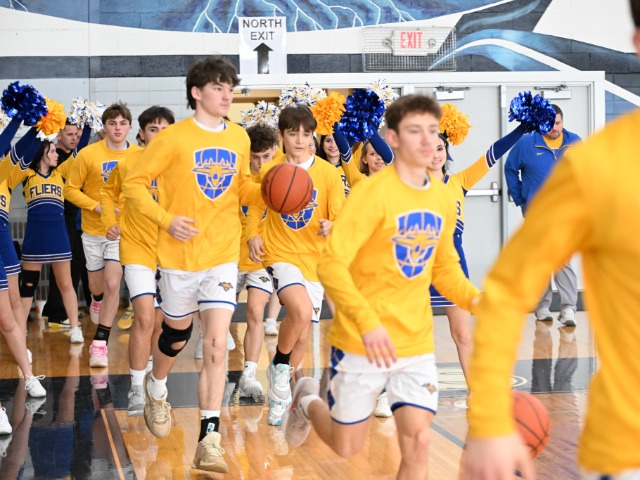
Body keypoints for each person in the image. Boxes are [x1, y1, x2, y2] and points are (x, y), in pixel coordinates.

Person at [462, 5, 640, 476]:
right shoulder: (593, 165)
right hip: (628, 446)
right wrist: (489, 420)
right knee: (551, 270)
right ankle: (557, 309)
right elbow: (504, 296)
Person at [281, 95, 479, 479]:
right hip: (361, 339)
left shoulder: (441, 197)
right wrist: (368, 324)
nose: (427, 141)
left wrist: (478, 299)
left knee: (418, 443)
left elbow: (444, 268)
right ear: (393, 139)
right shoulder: (370, 195)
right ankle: (306, 398)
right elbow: (331, 264)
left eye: (432, 131)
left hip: (414, 343)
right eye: (415, 132)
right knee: (346, 445)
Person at [122, 55, 259, 473]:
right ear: (197, 92)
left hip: (221, 256)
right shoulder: (172, 140)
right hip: (179, 257)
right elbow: (133, 185)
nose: (227, 96)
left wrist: (272, 189)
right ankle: (157, 386)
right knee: (176, 335)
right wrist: (166, 220)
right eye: (218, 88)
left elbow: (241, 188)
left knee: (216, 344)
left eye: (230, 89)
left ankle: (209, 440)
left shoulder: (239, 137)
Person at [246, 104, 344, 427]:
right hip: (280, 253)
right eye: (292, 134)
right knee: (299, 313)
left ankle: (281, 388)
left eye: (306, 134)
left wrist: (333, 226)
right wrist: (252, 235)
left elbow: (341, 216)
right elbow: (254, 209)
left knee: (301, 335)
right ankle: (280, 373)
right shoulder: (271, 170)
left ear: (313, 136)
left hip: (315, 258)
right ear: (281, 136)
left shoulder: (328, 174)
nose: (300, 140)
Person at [428, 122, 528, 384]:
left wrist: (521, 130)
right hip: (419, 264)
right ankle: (401, 394)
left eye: (440, 148)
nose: (435, 155)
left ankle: (475, 391)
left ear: (447, 151)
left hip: (453, 266)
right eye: (428, 149)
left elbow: (493, 153)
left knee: (462, 335)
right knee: (410, 338)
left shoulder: (459, 181)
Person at [100, 105, 175, 416]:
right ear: (142, 134)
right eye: (154, 129)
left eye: (166, 129)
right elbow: (107, 193)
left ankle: (153, 381)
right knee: (144, 317)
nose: (160, 135)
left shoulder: (181, 165)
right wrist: (109, 221)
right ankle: (135, 387)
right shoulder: (128, 162)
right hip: (136, 248)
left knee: (160, 323)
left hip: (170, 252)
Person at [64, 102, 141, 367]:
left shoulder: (140, 155)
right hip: (93, 230)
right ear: (104, 127)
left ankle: (100, 344)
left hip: (122, 231)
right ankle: (96, 300)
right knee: (97, 287)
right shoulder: (88, 154)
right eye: (112, 123)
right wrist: (97, 207)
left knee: (112, 283)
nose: (117, 128)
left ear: (130, 127)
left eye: (122, 123)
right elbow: (70, 190)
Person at [505, 104, 581, 326]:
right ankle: (542, 306)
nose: (554, 128)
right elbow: (510, 169)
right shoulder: (526, 143)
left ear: (562, 121)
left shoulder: (575, 142)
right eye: (549, 124)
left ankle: (568, 309)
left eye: (557, 123)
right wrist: (520, 198)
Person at [11, 140, 84, 343]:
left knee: (66, 283)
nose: (56, 154)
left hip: (58, 236)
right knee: (28, 286)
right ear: (41, 154)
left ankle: (75, 328)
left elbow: (78, 151)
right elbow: (17, 154)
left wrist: (87, 125)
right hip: (35, 237)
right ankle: (21, 331)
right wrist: (36, 130)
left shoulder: (60, 173)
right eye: (52, 151)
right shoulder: (27, 175)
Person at [236, 124, 277, 397]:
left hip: (261, 257)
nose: (261, 163)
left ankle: (249, 374)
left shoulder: (281, 178)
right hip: (229, 255)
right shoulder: (237, 177)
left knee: (254, 312)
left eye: (266, 156)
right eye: (255, 157)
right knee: (218, 317)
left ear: (275, 151)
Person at [43, 120, 92, 327]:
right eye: (70, 134)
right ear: (59, 135)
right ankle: (57, 313)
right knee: (64, 267)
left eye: (77, 135)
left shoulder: (73, 156)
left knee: (76, 264)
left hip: (74, 220)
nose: (74, 139)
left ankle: (58, 310)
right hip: (60, 219)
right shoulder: (55, 157)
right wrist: (88, 126)